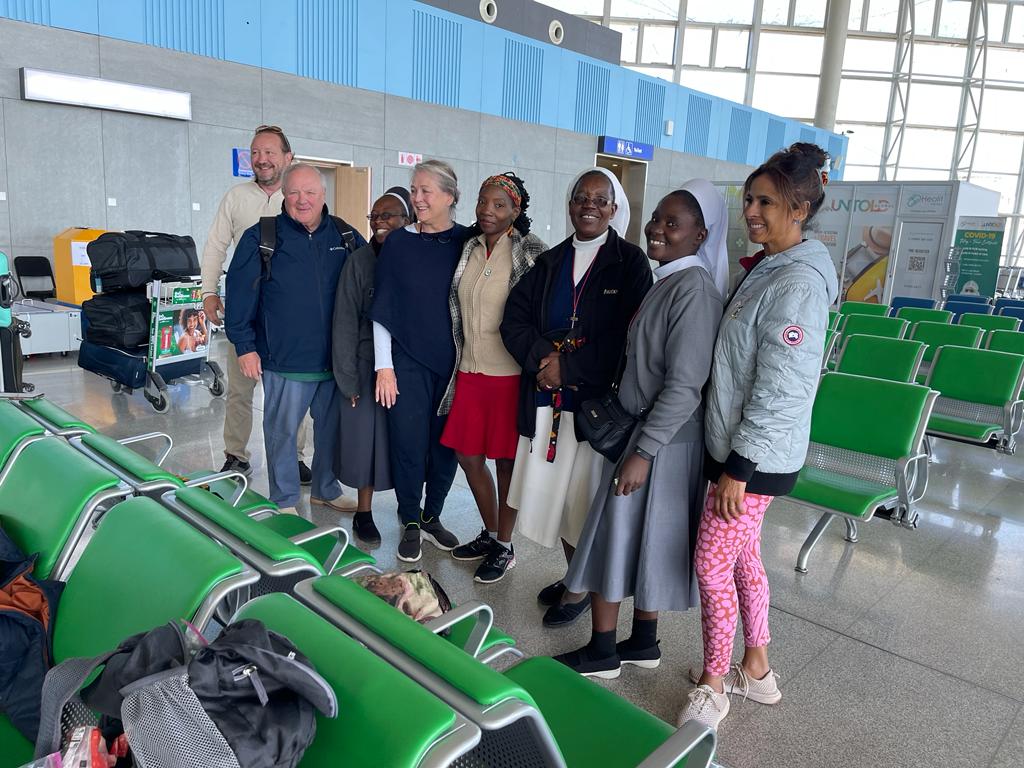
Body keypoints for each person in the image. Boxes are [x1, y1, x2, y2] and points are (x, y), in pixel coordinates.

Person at [678, 143, 838, 729]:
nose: (751, 211)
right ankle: (759, 669)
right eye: (748, 199)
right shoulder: (773, 267)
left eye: (765, 202)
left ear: (800, 207)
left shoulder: (795, 284)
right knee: (743, 560)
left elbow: (782, 387)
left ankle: (714, 682)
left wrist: (738, 467)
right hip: (745, 450)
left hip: (753, 458)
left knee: (711, 565)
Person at [555, 180, 728, 678]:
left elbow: (684, 386)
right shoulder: (671, 280)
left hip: (661, 442)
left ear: (700, 236)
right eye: (657, 217)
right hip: (654, 437)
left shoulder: (692, 293)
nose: (657, 228)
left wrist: (643, 452)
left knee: (612, 536)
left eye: (674, 223)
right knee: (644, 540)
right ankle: (643, 642)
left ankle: (602, 651)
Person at [500, 168, 652, 627]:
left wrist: (571, 368)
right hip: (548, 400)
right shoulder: (550, 260)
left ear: (613, 208)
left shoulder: (630, 262)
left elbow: (629, 336)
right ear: (570, 205)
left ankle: (581, 585)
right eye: (581, 197)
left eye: (600, 199)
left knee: (584, 500)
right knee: (560, 497)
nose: (589, 205)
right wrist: (544, 358)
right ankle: (574, 575)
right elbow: (514, 319)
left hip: (595, 407)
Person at [225, 163, 366, 513]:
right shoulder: (262, 237)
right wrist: (245, 346)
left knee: (330, 433)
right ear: (283, 196)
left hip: (334, 360)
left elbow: (370, 284)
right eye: (294, 192)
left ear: (323, 195)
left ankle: (325, 489)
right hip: (284, 358)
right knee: (282, 433)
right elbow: (240, 293)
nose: (302, 200)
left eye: (310, 192)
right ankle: (285, 497)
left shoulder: (345, 236)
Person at [201, 125, 329, 497]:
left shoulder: (300, 197)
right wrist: (209, 292)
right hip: (246, 312)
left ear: (288, 157)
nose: (262, 159)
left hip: (287, 321)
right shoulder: (236, 197)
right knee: (240, 391)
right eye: (256, 152)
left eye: (270, 152)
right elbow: (215, 246)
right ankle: (236, 455)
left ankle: (295, 456)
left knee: (297, 392)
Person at [440, 173, 547, 583]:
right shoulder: (469, 247)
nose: (488, 210)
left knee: (506, 464)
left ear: (516, 211)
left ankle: (505, 544)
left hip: (508, 375)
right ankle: (489, 532)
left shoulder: (531, 252)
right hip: (468, 370)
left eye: (499, 205)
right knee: (468, 458)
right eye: (483, 202)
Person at [371, 160, 469, 563]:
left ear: (450, 196)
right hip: (405, 362)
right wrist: (384, 365)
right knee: (408, 442)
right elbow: (383, 307)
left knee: (446, 446)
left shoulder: (469, 241)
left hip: (455, 364)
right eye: (415, 190)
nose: (418, 198)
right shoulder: (398, 243)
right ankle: (410, 518)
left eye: (427, 191)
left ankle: (433, 516)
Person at [331, 187, 413, 546]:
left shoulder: (418, 257)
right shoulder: (359, 261)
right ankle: (364, 512)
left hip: (410, 368)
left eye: (388, 215)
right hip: (365, 368)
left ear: (408, 220)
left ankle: (409, 511)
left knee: (406, 444)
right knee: (367, 445)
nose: (379, 222)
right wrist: (348, 381)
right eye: (375, 216)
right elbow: (345, 322)